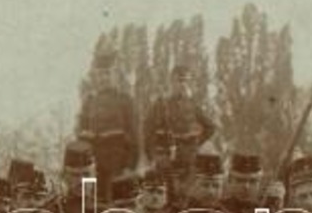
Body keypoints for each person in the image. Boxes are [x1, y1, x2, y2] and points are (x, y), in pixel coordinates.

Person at [75, 51, 138, 200]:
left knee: (117, 205)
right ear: (95, 77)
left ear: (115, 75)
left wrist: (130, 166)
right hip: (93, 164)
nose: (104, 78)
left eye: (107, 73)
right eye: (100, 74)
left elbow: (134, 136)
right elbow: (80, 135)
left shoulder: (124, 100)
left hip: (117, 163)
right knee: (92, 206)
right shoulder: (89, 102)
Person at [142, 63, 215, 174]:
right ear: (171, 82)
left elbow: (210, 127)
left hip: (188, 156)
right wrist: (152, 156)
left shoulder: (193, 104)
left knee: (187, 187)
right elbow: (148, 131)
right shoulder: (161, 104)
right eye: (179, 81)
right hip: (166, 154)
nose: (183, 85)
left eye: (186, 81)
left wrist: (196, 143)